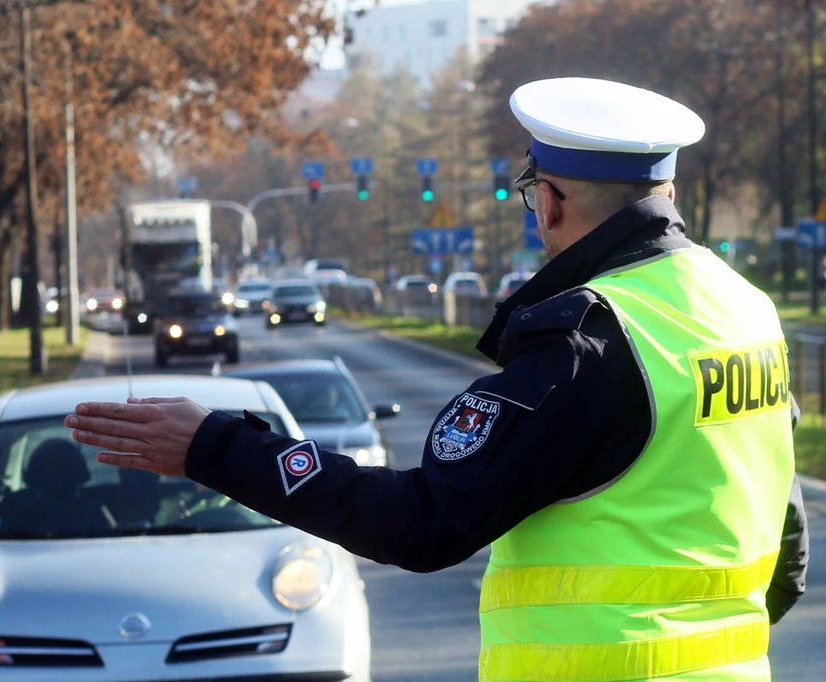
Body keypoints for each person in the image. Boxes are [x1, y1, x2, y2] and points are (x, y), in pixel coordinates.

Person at [66, 78, 808, 681]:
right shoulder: (743, 308)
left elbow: (420, 523)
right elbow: (787, 544)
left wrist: (214, 446)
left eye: (532, 198)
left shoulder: (589, 339)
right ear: (667, 193)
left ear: (546, 202)